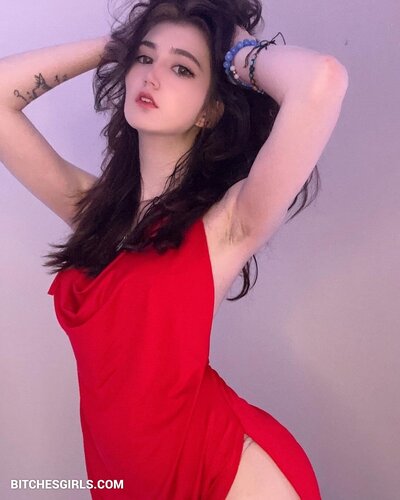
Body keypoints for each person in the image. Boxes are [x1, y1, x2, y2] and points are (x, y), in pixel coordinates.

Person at [0, 0, 348, 498]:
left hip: (225, 473)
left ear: (210, 110)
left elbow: (322, 81)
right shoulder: (93, 213)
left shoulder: (226, 223)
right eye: (145, 59)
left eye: (182, 68)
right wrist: (122, 43)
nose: (153, 75)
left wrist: (232, 49)